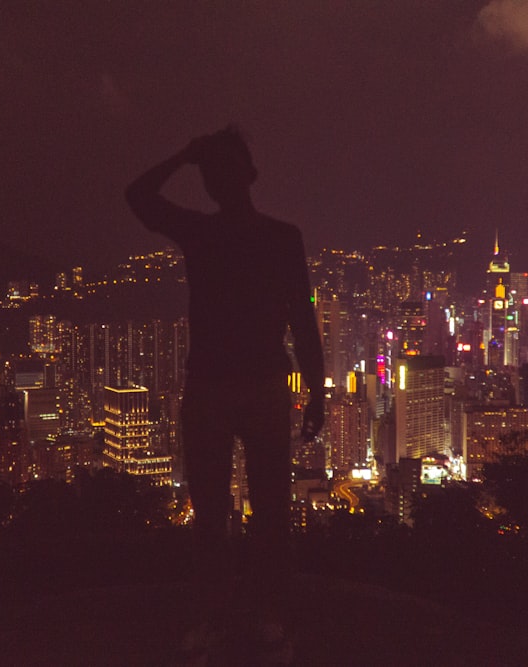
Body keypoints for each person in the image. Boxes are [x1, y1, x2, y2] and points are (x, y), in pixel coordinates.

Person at [126, 126, 324, 660]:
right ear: (208, 182)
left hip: (257, 387)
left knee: (271, 512)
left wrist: (318, 392)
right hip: (213, 387)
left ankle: (265, 614)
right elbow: (137, 197)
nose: (219, 177)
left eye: (227, 166)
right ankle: (223, 615)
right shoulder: (201, 232)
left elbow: (303, 318)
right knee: (210, 514)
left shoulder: (282, 237)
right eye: (211, 171)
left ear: (250, 172)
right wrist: (185, 154)